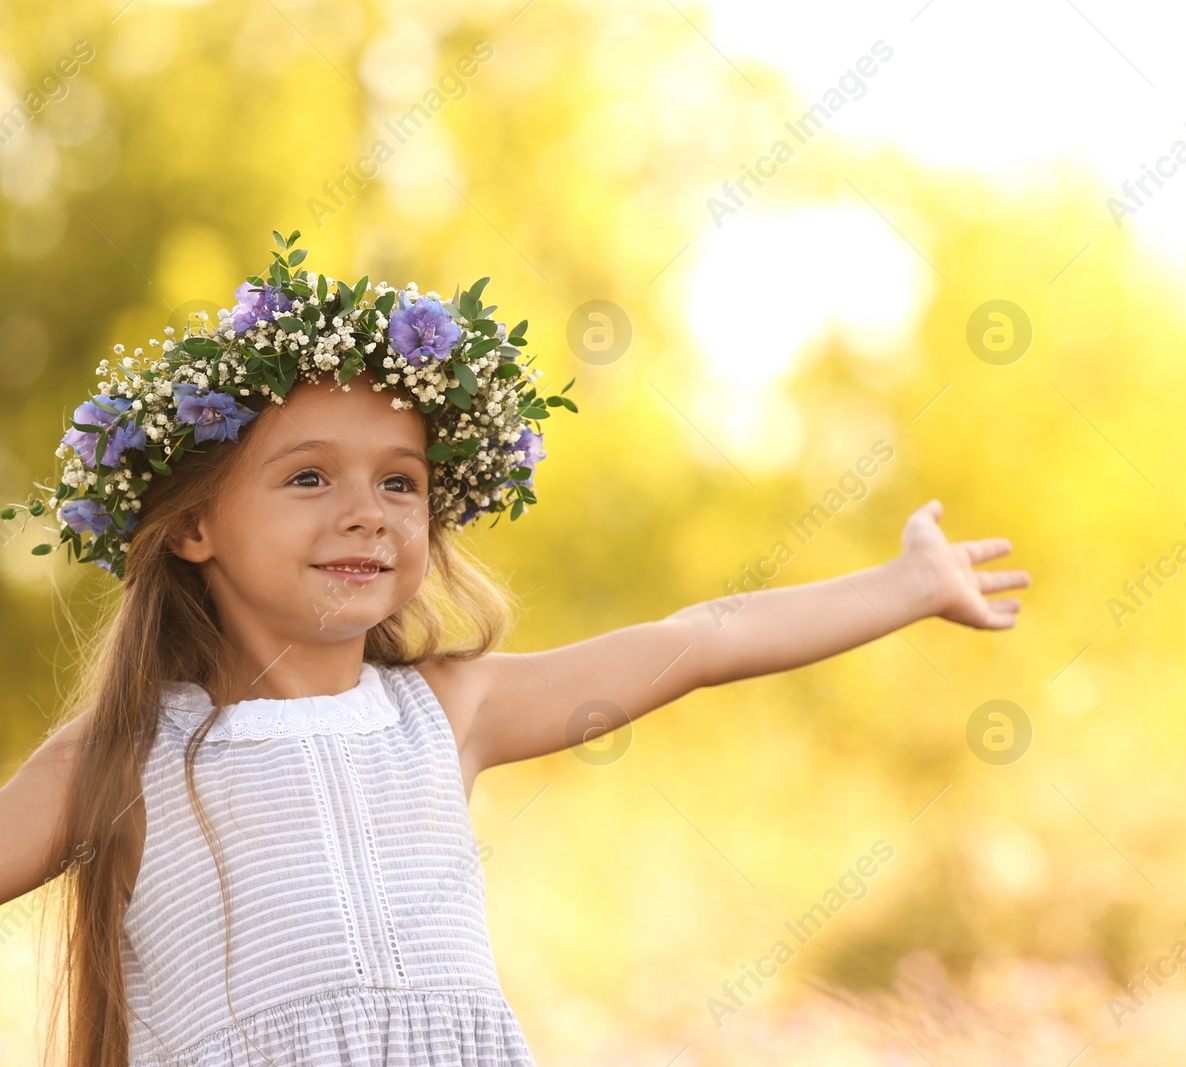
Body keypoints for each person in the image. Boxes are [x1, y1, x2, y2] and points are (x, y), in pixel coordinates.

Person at [0, 232, 1029, 1067]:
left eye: (400, 483)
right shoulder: (125, 756)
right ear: (192, 527)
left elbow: (698, 642)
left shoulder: (449, 709)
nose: (367, 514)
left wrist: (904, 584)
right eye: (309, 478)